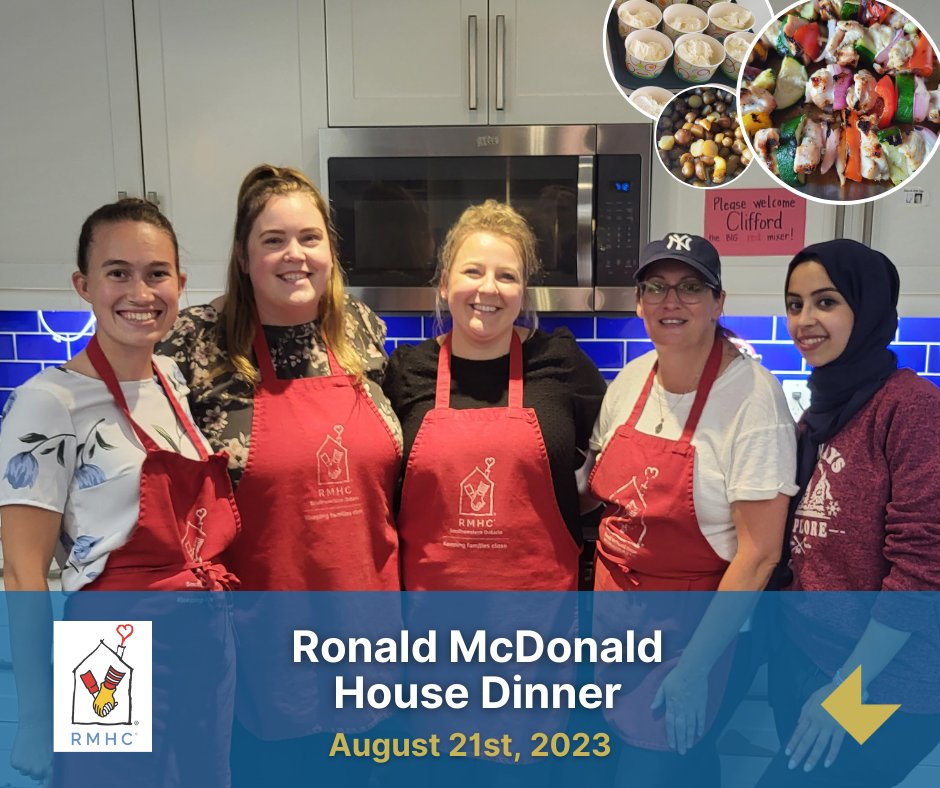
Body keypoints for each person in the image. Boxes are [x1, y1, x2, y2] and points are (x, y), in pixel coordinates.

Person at [157, 164, 402, 786]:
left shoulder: (363, 333)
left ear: (330, 251)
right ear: (243, 256)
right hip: (259, 648)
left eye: (309, 238)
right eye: (273, 240)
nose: (295, 255)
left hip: (368, 638)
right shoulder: (197, 343)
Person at [0, 198, 240, 787]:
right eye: (117, 273)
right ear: (84, 285)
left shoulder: (173, 382)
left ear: (180, 283)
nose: (141, 290)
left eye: (157, 273)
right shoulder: (47, 402)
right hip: (112, 649)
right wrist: (37, 718)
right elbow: (22, 573)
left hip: (203, 642)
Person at [584, 232, 798, 787]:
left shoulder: (753, 399)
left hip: (690, 636)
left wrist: (693, 671)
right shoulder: (630, 380)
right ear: (638, 302)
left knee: (651, 771)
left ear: (718, 302)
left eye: (690, 288)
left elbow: (758, 554)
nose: (670, 302)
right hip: (615, 627)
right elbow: (600, 492)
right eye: (655, 287)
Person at [755, 239, 940, 787]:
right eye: (794, 304)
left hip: (885, 684)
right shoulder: (817, 415)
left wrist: (846, 690)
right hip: (808, 660)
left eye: (826, 301)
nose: (804, 320)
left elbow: (922, 573)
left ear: (869, 308)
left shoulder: (910, 410)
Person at [383, 198, 607, 591]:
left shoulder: (560, 363)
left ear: (523, 291)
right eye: (473, 271)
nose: (489, 288)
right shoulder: (407, 373)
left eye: (507, 276)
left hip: (539, 623)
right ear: (443, 283)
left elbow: (612, 451)